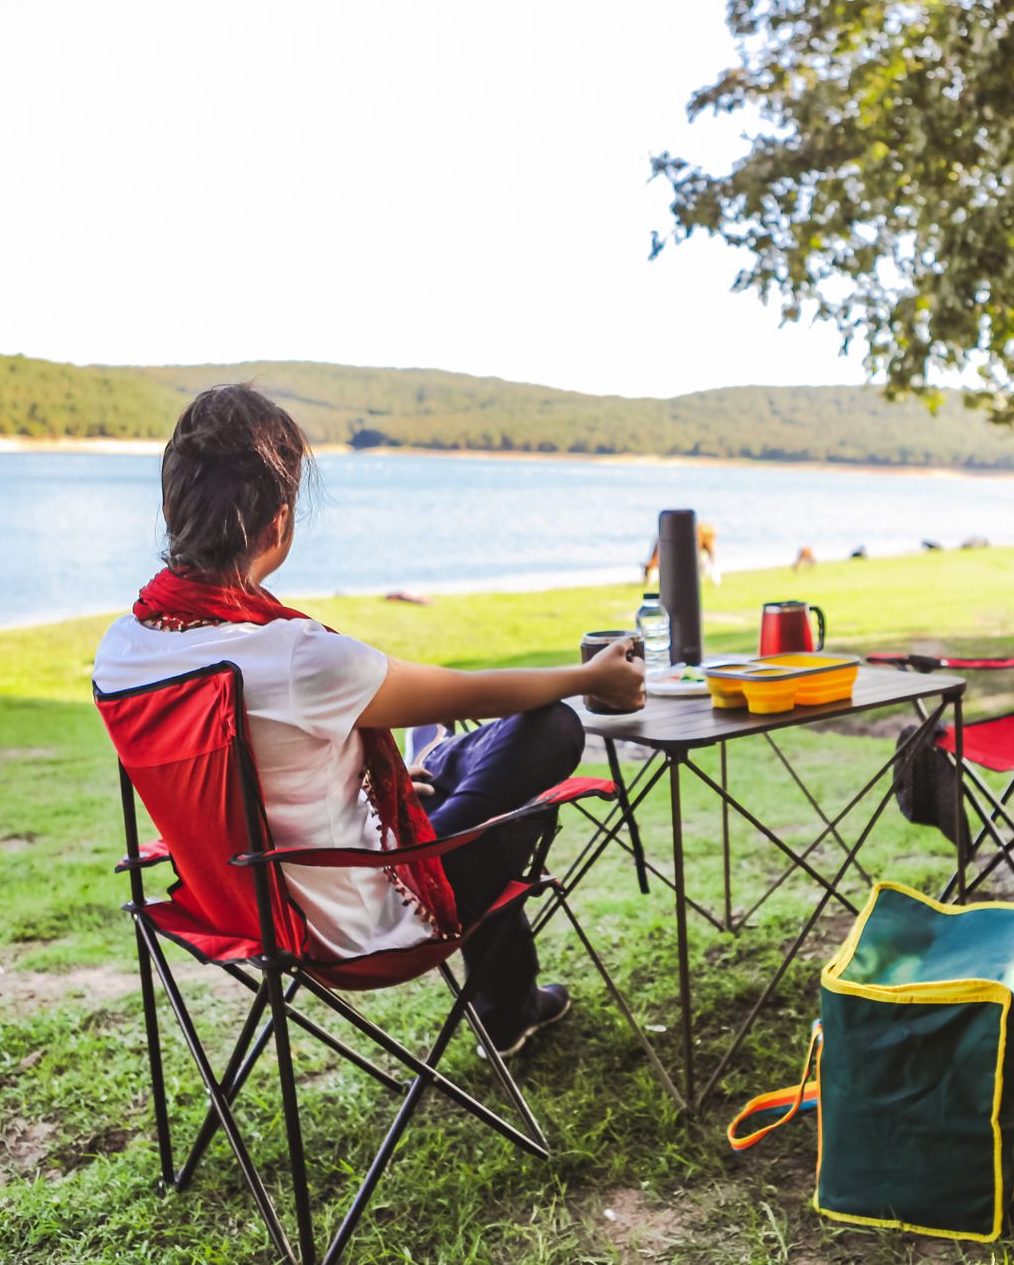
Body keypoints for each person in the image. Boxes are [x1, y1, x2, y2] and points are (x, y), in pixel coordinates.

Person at [93, 385, 645, 1055]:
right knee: (548, 735)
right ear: (281, 523)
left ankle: (503, 981)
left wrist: (360, 789)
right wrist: (592, 677)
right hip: (367, 922)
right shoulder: (297, 656)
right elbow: (462, 689)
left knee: (444, 774)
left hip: (240, 899)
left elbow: (249, 781)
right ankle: (507, 1000)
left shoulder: (124, 649)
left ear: (170, 507)